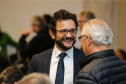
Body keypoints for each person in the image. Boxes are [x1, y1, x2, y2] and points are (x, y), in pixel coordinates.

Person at [28, 9, 85, 84]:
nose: (69, 35)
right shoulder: (38, 61)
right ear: (52, 34)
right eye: (63, 31)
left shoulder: (85, 59)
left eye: (72, 31)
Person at [75, 19, 126, 84]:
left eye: (81, 38)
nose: (81, 42)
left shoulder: (87, 75)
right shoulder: (124, 64)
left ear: (88, 39)